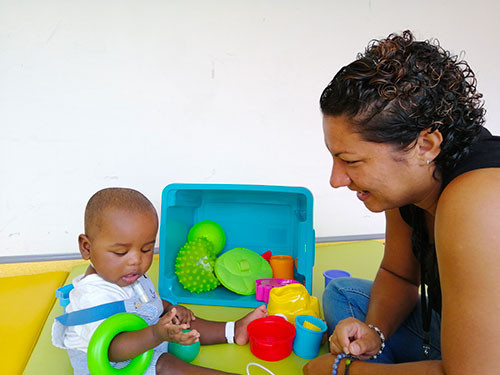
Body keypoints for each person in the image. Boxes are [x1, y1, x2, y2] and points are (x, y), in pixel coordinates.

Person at [303, 30, 500, 375]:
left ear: (424, 146)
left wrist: (342, 371)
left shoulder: (479, 200)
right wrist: (375, 333)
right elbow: (399, 274)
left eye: (350, 160)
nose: (336, 180)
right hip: (465, 342)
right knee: (343, 294)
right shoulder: (412, 180)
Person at [52, 187, 267, 375]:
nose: (136, 260)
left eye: (146, 249)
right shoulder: (94, 297)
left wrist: (170, 309)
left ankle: (234, 329)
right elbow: (112, 350)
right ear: (87, 248)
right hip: (114, 365)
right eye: (120, 252)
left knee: (181, 320)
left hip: (148, 338)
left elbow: (146, 301)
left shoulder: (125, 274)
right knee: (166, 366)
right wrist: (156, 334)